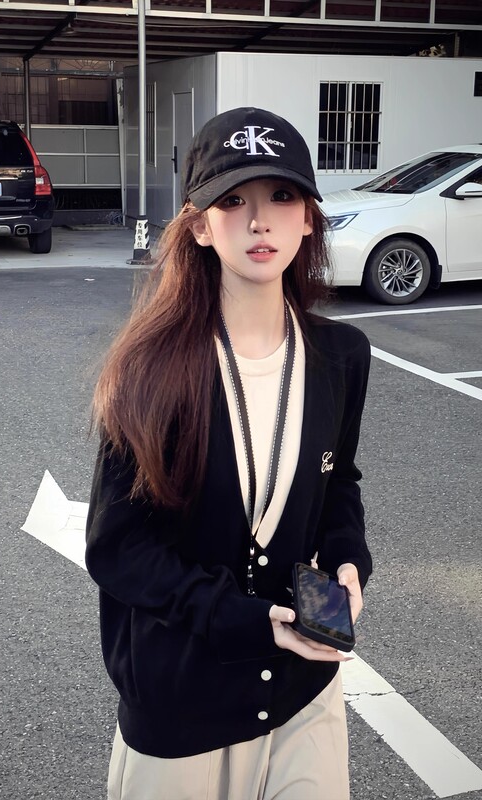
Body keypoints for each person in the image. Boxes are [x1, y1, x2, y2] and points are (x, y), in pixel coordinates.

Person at [85, 106, 372, 800]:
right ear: (199, 226)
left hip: (303, 693)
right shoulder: (151, 369)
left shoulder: (341, 355)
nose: (259, 220)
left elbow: (338, 482)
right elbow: (117, 548)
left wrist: (347, 558)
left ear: (309, 219)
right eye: (233, 200)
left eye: (282, 195)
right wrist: (240, 617)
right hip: (181, 704)